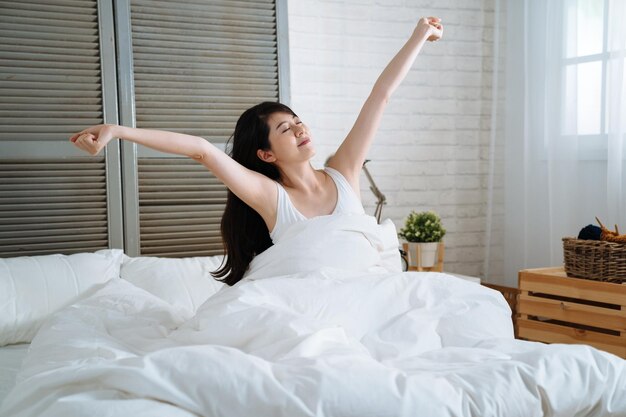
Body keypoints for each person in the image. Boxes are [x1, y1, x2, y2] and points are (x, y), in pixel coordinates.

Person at [70, 17, 443, 286]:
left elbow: (380, 96)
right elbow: (201, 150)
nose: (299, 128)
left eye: (298, 120)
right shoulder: (271, 197)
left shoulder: (343, 171)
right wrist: (116, 131)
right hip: (310, 308)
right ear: (266, 154)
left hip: (374, 296)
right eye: (285, 128)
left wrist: (419, 35)